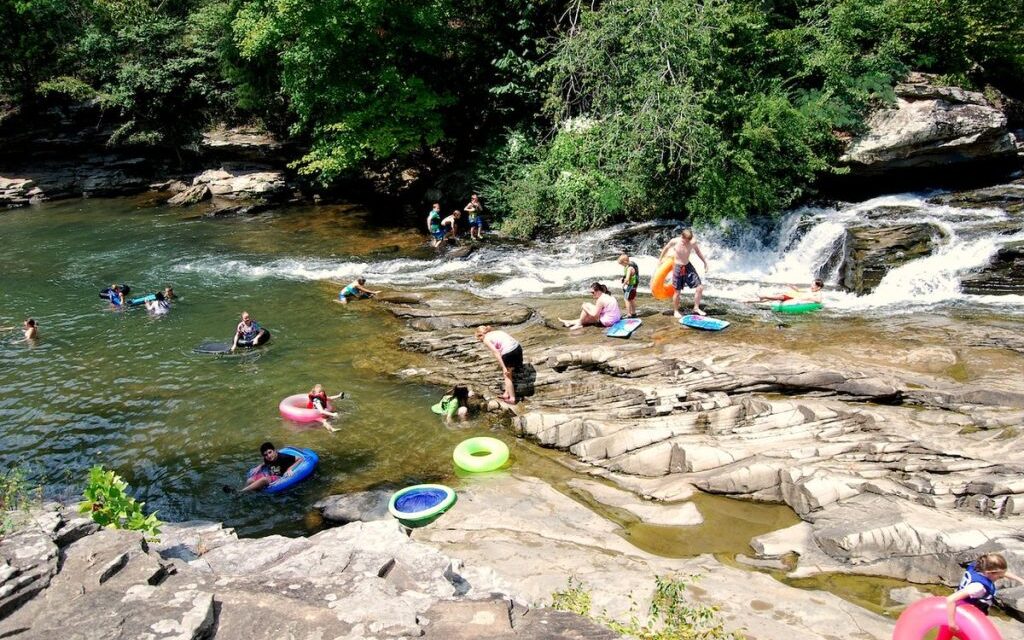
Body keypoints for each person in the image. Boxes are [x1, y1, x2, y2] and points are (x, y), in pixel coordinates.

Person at [946, 553, 1022, 633]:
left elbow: (1000, 572)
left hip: (963, 601)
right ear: (990, 573)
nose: (1001, 577)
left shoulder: (979, 566)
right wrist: (952, 623)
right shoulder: (978, 587)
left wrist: (1020, 580)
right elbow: (950, 599)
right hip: (968, 613)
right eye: (1000, 577)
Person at [658, 228, 709, 317]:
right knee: (677, 291)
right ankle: (676, 311)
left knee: (700, 287)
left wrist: (705, 262)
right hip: (678, 267)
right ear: (682, 236)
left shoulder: (692, 242)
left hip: (688, 266)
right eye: (686, 240)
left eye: (689, 240)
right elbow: (666, 248)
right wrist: (660, 260)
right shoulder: (675, 241)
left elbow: (698, 252)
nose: (687, 242)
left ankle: (696, 308)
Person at [475, 325, 523, 404]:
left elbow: (496, 352)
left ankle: (512, 398)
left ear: (481, 335)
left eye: (478, 338)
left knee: (507, 375)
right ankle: (506, 394)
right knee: (509, 373)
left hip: (509, 352)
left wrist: (504, 367)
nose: (479, 340)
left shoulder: (486, 339)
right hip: (517, 348)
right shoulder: (497, 332)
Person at [749, 279, 823, 304]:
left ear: (818, 287)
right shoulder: (809, 290)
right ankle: (751, 300)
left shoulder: (818, 293)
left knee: (776, 297)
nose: (811, 286)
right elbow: (798, 290)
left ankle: (763, 296)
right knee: (772, 298)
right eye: (812, 284)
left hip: (794, 299)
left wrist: (808, 299)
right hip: (793, 296)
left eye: (813, 285)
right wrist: (792, 286)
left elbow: (819, 300)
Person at [617, 253, 640, 318]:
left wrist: (623, 285)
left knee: (626, 299)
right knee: (631, 299)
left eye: (621, 264)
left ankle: (629, 314)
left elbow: (627, 279)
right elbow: (627, 276)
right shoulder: (629, 266)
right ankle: (634, 313)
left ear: (625, 262)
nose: (622, 265)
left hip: (631, 286)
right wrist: (623, 278)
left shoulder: (629, 268)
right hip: (634, 286)